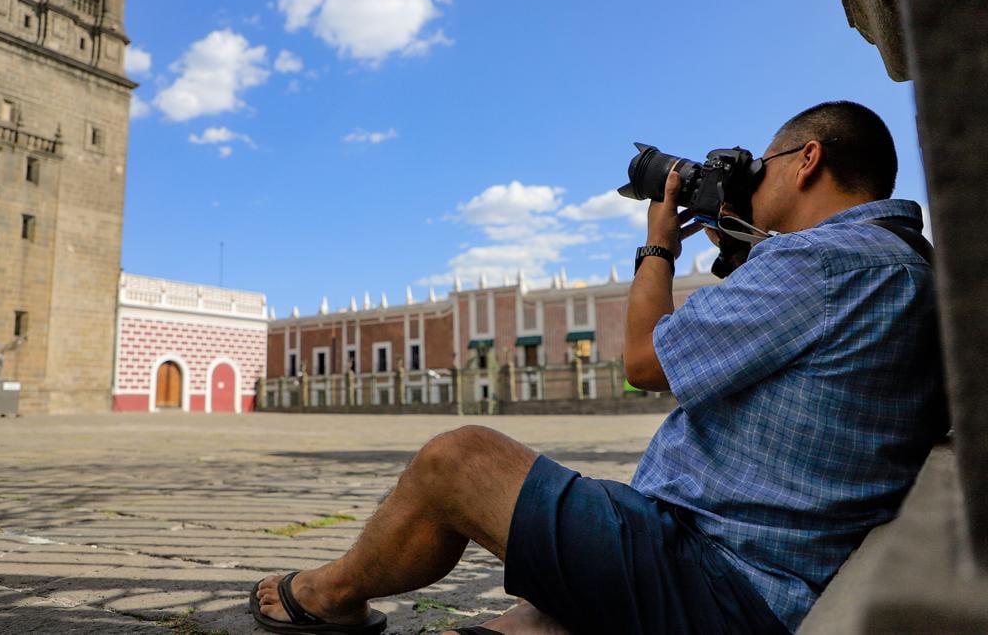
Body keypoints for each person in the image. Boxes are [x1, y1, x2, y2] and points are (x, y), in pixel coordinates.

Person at [250, 101, 946, 634]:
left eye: (761, 166)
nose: (753, 181)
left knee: (457, 459)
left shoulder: (824, 262)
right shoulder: (906, 264)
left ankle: (331, 594)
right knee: (525, 621)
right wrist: (741, 244)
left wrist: (659, 244)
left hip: (724, 577)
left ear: (807, 159)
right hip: (771, 571)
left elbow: (644, 359)